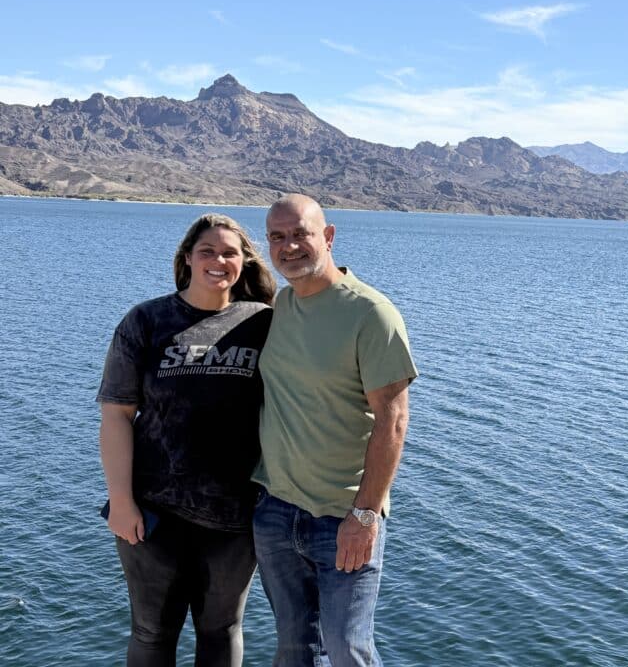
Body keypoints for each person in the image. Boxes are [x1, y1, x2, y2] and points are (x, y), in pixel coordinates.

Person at [97, 213, 276, 667]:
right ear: (187, 259)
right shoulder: (147, 321)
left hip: (236, 515)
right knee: (153, 632)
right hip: (154, 513)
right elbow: (117, 415)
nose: (219, 260)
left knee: (222, 629)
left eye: (230, 252)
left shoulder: (266, 324)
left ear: (244, 262)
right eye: (207, 252)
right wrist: (121, 500)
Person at [252, 194, 417, 667]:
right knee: (295, 647)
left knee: (348, 648)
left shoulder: (371, 314)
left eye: (300, 233)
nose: (289, 246)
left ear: (327, 237)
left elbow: (394, 420)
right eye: (277, 237)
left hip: (343, 517)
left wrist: (364, 516)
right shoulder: (282, 304)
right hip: (276, 512)